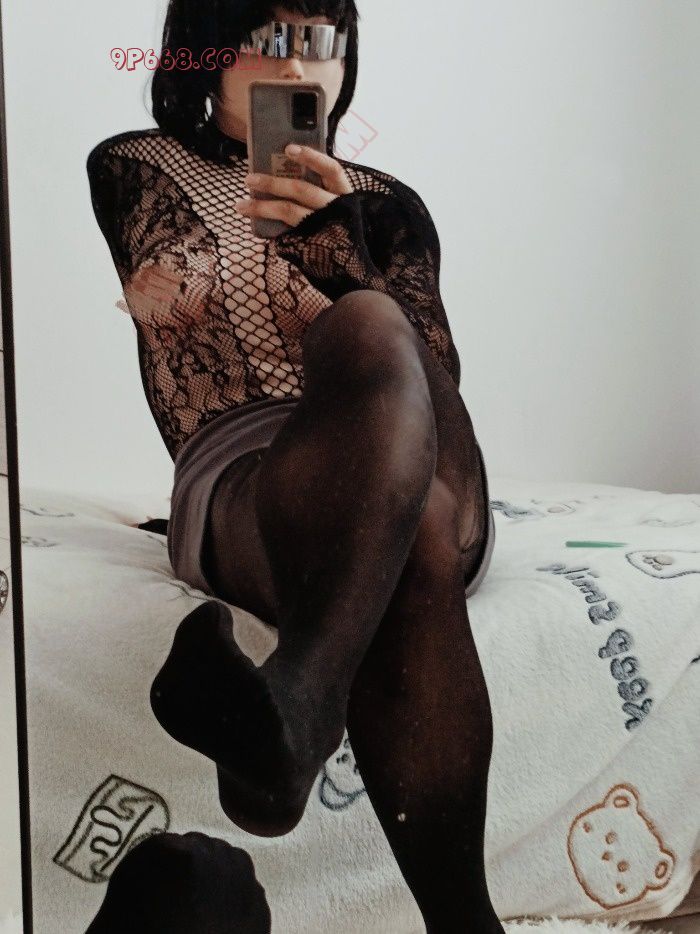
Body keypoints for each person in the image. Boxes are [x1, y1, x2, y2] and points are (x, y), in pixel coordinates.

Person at [86, 2, 501, 930]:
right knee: (413, 539)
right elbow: (161, 296)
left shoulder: (387, 201)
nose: (296, 66)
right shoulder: (138, 165)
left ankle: (298, 709)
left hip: (421, 460)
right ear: (203, 54)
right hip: (253, 472)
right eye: (265, 40)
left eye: (319, 41)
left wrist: (342, 244)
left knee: (372, 324)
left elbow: (436, 377)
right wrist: (244, 244)